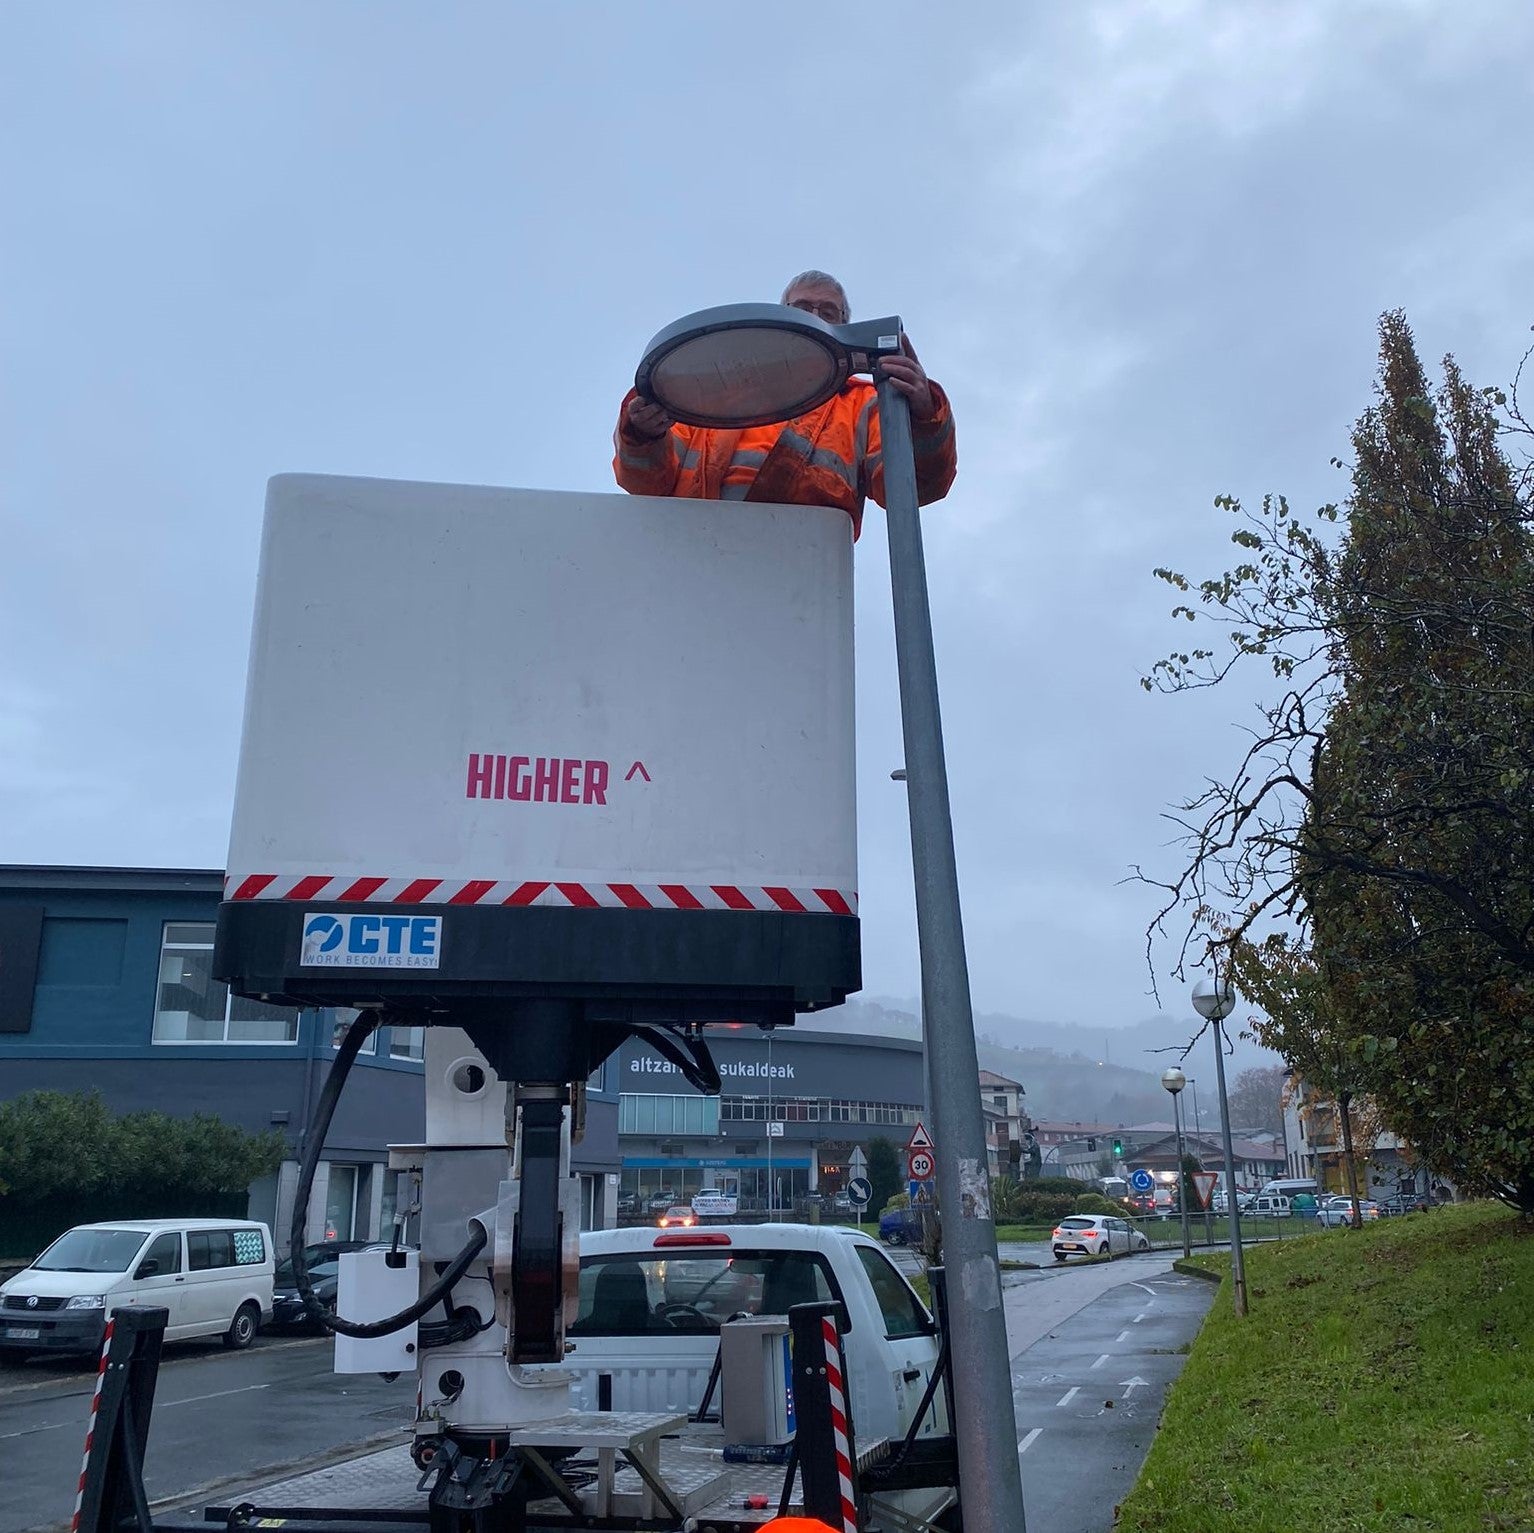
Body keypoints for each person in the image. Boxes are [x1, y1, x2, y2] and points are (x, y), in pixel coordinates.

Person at [612, 271, 956, 538]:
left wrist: (925, 413)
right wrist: (642, 434)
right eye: (803, 308)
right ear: (784, 316)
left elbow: (915, 492)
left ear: (844, 326)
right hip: (688, 556)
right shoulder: (713, 391)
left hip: (799, 570)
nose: (816, 315)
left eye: (828, 311)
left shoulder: (862, 403)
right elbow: (645, 486)